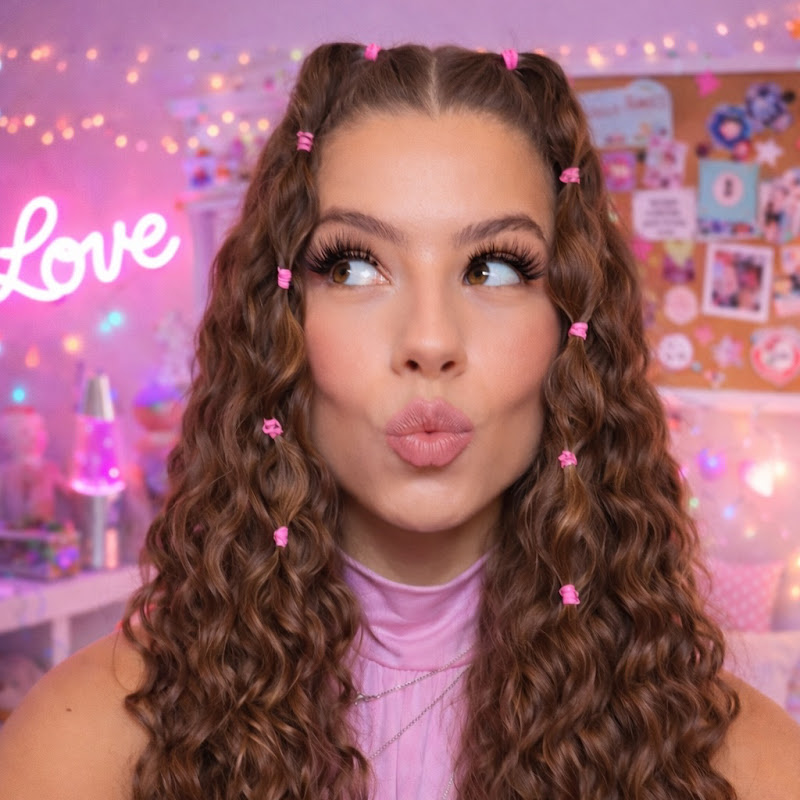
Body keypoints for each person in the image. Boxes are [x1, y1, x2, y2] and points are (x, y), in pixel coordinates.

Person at [0, 42, 798, 800]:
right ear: (279, 321)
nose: (430, 340)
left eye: (495, 268)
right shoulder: (81, 748)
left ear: (570, 327)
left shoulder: (747, 766)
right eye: (354, 267)